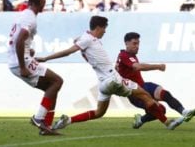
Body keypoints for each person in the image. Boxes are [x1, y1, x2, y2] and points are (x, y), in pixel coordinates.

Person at [36, 16, 184, 131]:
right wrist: (46, 58)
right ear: (98, 27)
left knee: (99, 112)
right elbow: (68, 51)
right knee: (145, 95)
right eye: (104, 28)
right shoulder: (87, 39)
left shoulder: (88, 39)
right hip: (113, 78)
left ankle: (67, 120)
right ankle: (168, 123)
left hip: (103, 84)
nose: (105, 31)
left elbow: (81, 47)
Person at [7, 0, 63, 135]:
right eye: (45, 0)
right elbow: (19, 40)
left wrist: (28, 50)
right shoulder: (30, 18)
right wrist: (23, 66)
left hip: (18, 59)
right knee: (57, 81)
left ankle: (46, 127)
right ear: (42, 1)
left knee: (52, 87)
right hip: (21, 62)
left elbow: (17, 40)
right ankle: (39, 118)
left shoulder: (24, 15)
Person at [115, 32, 195, 129]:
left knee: (165, 94)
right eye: (134, 43)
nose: (137, 46)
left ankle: (184, 112)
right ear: (126, 43)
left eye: (138, 43)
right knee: (161, 110)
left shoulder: (129, 56)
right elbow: (138, 67)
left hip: (143, 86)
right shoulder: (124, 55)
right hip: (135, 93)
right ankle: (141, 120)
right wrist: (158, 66)